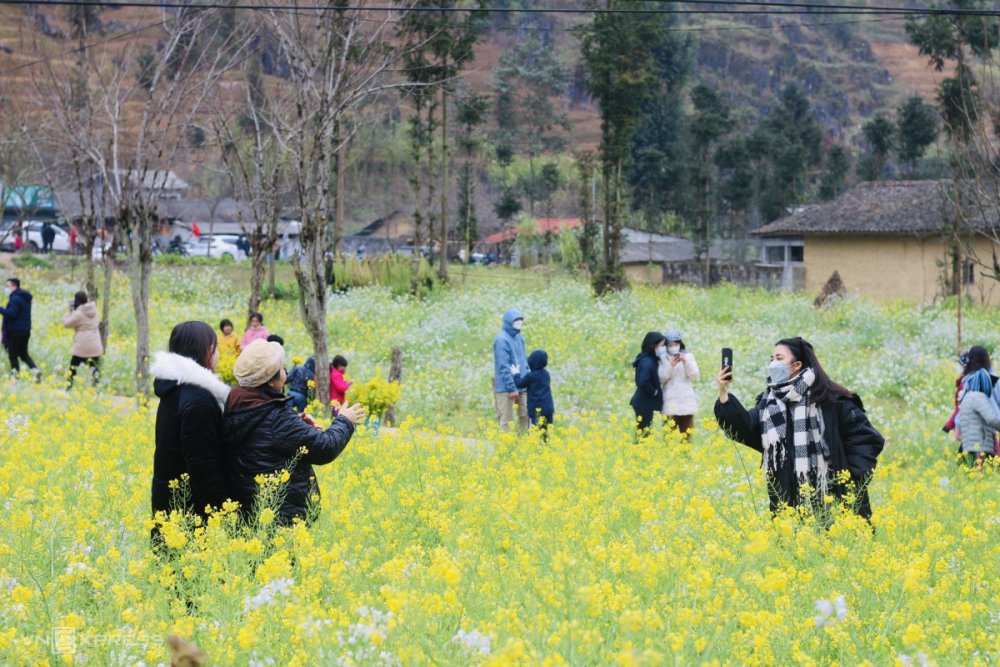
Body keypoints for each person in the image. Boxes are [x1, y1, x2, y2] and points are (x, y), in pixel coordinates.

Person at [714, 337, 885, 521]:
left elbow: (867, 440)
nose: (773, 364)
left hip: (836, 504)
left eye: (779, 358)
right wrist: (723, 392)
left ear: (796, 365)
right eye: (771, 358)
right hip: (788, 507)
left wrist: (849, 480)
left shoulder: (833, 401)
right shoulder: (770, 405)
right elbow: (745, 428)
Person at [224, 340, 366, 525]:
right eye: (282, 369)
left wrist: (296, 424)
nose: (287, 373)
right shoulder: (277, 416)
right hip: (280, 515)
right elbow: (325, 447)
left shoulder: (235, 403)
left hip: (248, 509)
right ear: (270, 380)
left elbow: (264, 437)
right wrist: (345, 420)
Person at [149, 321, 232, 528]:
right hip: (190, 509)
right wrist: (223, 511)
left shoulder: (174, 390)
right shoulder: (198, 400)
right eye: (215, 348)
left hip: (171, 500)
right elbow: (202, 463)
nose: (218, 355)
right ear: (203, 350)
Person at [493, 308, 529, 432]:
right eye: (516, 320)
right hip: (506, 387)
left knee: (525, 415)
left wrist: (528, 381)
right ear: (508, 322)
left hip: (522, 384)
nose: (519, 323)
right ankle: (505, 446)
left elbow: (524, 361)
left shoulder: (520, 338)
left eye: (520, 320)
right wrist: (511, 387)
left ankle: (524, 443)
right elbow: (503, 366)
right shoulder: (501, 340)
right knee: (506, 418)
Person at [658, 329, 700, 437]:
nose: (674, 346)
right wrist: (670, 365)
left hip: (686, 401)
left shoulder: (689, 356)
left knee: (687, 436)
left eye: (676, 344)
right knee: (668, 437)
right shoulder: (663, 358)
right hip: (669, 402)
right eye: (670, 344)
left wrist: (685, 361)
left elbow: (695, 375)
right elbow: (661, 378)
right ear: (666, 346)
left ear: (680, 343)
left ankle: (686, 454)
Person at [957, 368, 1000, 468]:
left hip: (969, 445)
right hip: (980, 445)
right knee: (981, 476)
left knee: (974, 477)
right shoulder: (979, 397)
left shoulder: (967, 397)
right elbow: (991, 419)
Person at [0, 278, 39, 381]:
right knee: (23, 354)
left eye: (8, 286)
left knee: (12, 355)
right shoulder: (24, 297)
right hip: (25, 330)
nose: (6, 288)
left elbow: (11, 314)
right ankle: (36, 370)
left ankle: (15, 377)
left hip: (15, 331)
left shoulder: (15, 299)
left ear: (14, 286)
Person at [63, 291, 103, 387]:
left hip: (83, 346)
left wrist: (69, 311)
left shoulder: (78, 315)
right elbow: (86, 306)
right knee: (95, 368)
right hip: (96, 345)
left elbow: (66, 324)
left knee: (73, 367)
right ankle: (97, 390)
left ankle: (68, 387)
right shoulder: (94, 309)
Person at [631, 332, 666, 434]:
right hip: (643, 403)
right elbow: (642, 382)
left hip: (643, 403)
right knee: (644, 433)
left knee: (644, 432)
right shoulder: (647, 362)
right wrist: (654, 392)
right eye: (662, 345)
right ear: (653, 345)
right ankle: (638, 449)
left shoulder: (648, 359)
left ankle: (639, 449)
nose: (664, 348)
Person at [511, 349, 554, 430]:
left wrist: (516, 373)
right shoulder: (546, 374)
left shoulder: (531, 376)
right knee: (546, 432)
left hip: (536, 411)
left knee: (535, 432)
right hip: (548, 409)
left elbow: (520, 384)